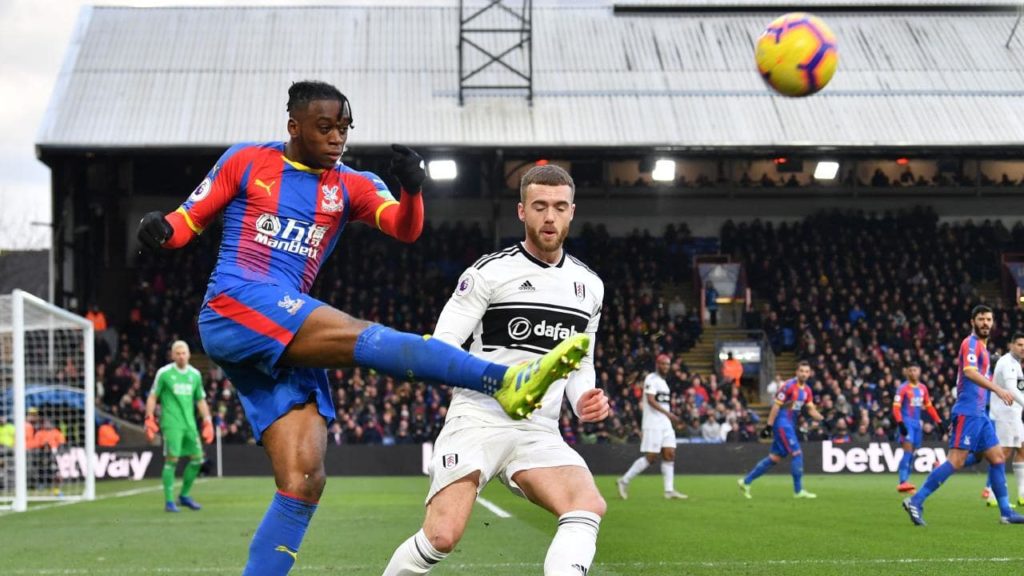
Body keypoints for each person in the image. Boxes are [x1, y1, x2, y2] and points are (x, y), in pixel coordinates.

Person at [136, 81, 587, 575]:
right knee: (361, 335)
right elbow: (184, 223)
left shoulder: (350, 183)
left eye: (344, 128)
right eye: (325, 127)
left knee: (304, 479)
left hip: (281, 326)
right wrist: (159, 231)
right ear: (294, 126)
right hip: (235, 303)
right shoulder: (246, 161)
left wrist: (412, 188)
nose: (337, 138)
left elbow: (404, 227)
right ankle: (501, 380)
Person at [381, 164, 609, 576]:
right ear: (521, 212)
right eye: (539, 206)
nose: (550, 217)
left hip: (538, 429)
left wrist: (582, 400)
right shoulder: (489, 272)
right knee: (441, 536)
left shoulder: (590, 286)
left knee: (586, 503)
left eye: (559, 207)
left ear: (572, 211)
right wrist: (499, 383)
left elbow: (582, 361)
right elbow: (442, 345)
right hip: (479, 418)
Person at [903, 305, 1024, 525]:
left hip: (980, 414)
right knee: (956, 461)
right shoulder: (970, 343)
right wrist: (997, 389)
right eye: (981, 319)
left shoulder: (983, 349)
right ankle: (916, 501)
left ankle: (1006, 512)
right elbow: (969, 372)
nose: (985, 323)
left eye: (989, 319)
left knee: (997, 458)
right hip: (968, 412)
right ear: (972, 321)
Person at [145, 340, 214, 512]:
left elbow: (200, 400)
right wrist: (149, 418)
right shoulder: (165, 373)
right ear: (173, 355)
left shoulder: (195, 375)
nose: (181, 356)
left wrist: (208, 421)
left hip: (189, 424)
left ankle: (184, 495)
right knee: (172, 459)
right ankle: (169, 502)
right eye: (178, 353)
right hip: (171, 423)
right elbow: (153, 396)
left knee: (197, 459)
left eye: (184, 353)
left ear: (189, 354)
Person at [738, 361, 823, 499]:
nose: (804, 374)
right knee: (797, 454)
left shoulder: (807, 390)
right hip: (783, 424)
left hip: (790, 424)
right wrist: (769, 426)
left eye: (806, 371)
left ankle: (745, 481)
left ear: (809, 373)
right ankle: (798, 491)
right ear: (797, 372)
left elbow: (811, 409)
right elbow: (776, 406)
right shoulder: (788, 386)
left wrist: (822, 418)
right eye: (801, 371)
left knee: (774, 458)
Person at [616, 353, 687, 500]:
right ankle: (624, 481)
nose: (665, 366)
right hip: (653, 423)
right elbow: (650, 400)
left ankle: (669, 491)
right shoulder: (651, 378)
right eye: (663, 364)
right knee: (651, 457)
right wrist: (670, 415)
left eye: (667, 364)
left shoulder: (664, 382)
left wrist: (669, 416)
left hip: (665, 424)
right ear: (657, 364)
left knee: (670, 454)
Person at [983, 332, 1024, 507]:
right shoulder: (1007, 363)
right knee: (1003, 454)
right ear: (1011, 345)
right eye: (1020, 344)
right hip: (1004, 415)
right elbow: (1011, 390)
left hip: (1014, 414)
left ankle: (1022, 493)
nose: (1023, 348)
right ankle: (992, 493)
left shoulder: (1016, 364)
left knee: (1022, 450)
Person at [892, 363, 943, 493]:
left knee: (912, 453)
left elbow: (929, 406)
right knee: (907, 451)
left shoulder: (923, 388)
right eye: (910, 370)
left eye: (915, 370)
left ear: (919, 371)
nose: (913, 373)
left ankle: (906, 483)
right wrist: (900, 423)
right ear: (907, 372)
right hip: (906, 423)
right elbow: (896, 407)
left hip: (917, 424)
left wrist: (939, 421)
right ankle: (902, 481)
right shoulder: (902, 388)